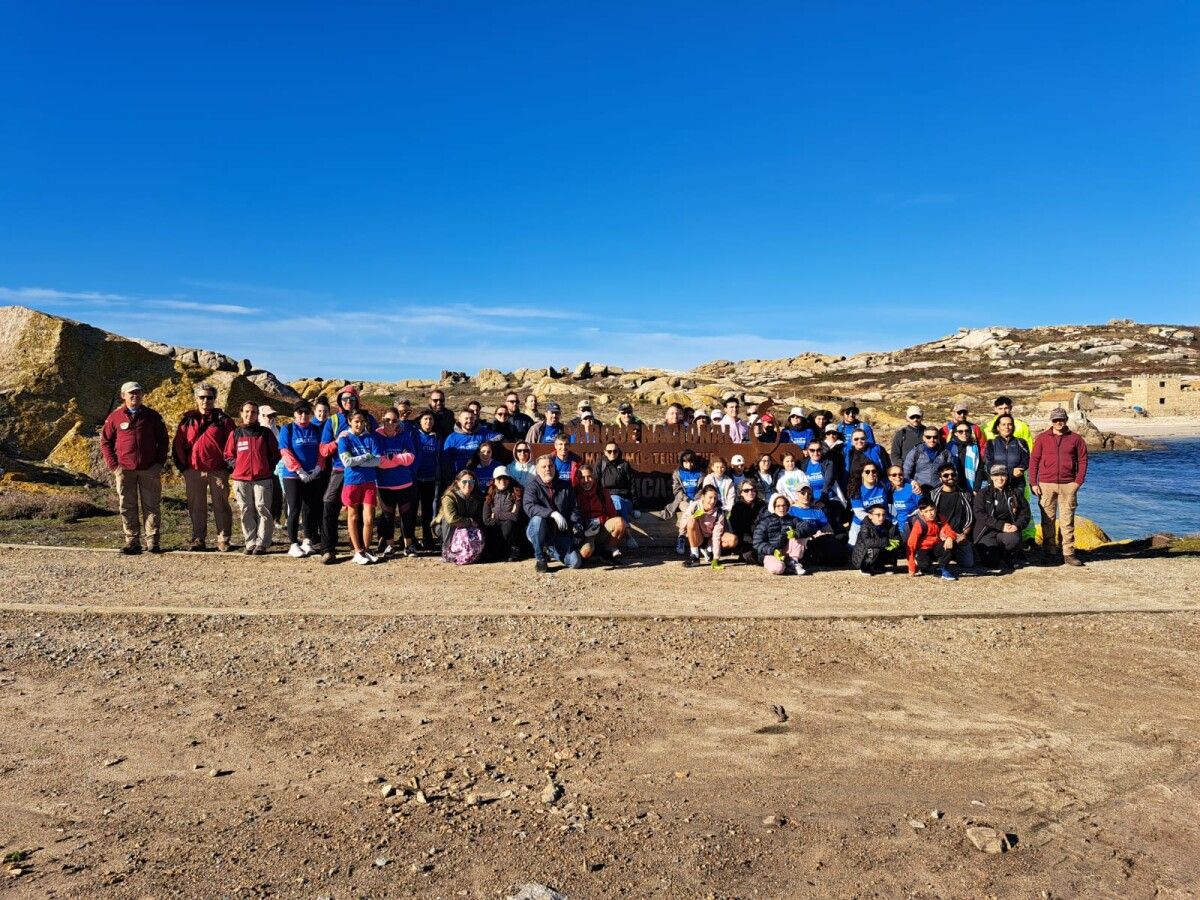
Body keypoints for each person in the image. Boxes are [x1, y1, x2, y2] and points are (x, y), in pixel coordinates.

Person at [100, 381, 169, 554]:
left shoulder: (152, 416)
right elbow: (105, 442)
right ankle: (132, 541)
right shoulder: (115, 417)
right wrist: (115, 467)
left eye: (138, 393)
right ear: (123, 396)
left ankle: (153, 541)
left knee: (151, 505)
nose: (135, 396)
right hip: (124, 470)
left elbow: (163, 441)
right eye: (131, 393)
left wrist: (158, 465)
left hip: (149, 470)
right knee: (127, 506)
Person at [318, 385, 377, 564]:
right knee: (330, 505)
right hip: (339, 469)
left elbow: (376, 439)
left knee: (361, 511)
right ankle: (328, 548)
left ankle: (359, 549)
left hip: (364, 472)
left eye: (352, 399)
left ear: (357, 400)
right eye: (345, 400)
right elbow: (323, 449)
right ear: (339, 402)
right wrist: (338, 441)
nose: (348, 403)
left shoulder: (368, 418)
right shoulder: (333, 420)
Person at [172, 383, 235, 552]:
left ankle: (223, 539)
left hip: (218, 470)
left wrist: (228, 468)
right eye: (202, 397)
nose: (205, 401)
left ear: (215, 399)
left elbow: (232, 444)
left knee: (221, 505)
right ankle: (198, 538)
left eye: (209, 397)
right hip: (193, 470)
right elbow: (178, 444)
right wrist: (184, 468)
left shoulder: (224, 420)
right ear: (196, 398)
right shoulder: (187, 420)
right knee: (196, 505)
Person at [1029, 406, 1089, 567]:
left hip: (1068, 484)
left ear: (1066, 420)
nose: (1058, 422)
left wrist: (1078, 482)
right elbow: (1034, 461)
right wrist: (1033, 483)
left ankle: (1068, 553)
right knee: (1047, 520)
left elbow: (1083, 460)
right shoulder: (1042, 438)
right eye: (1055, 420)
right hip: (1046, 484)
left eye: (1061, 419)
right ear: (1051, 421)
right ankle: (1049, 553)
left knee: (1067, 520)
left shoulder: (1076, 439)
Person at [224, 400, 281, 555]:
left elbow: (275, 454)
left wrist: (267, 467)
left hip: (262, 478)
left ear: (258, 415)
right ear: (241, 413)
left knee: (263, 509)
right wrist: (238, 466)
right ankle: (250, 542)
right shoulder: (235, 433)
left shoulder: (265, 433)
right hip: (241, 479)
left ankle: (262, 543)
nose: (250, 414)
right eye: (247, 411)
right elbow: (228, 455)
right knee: (246, 510)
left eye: (254, 412)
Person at [277, 399, 324, 558]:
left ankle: (308, 540)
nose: (303, 415)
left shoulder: (316, 429)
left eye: (306, 412)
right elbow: (285, 451)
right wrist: (299, 470)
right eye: (300, 412)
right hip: (293, 476)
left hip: (313, 475)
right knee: (294, 508)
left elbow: (321, 451)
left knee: (310, 508)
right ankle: (293, 543)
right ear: (295, 414)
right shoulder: (287, 429)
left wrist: (318, 468)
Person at [523, 454, 583, 572]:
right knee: (537, 519)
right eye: (543, 467)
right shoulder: (532, 487)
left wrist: (576, 524)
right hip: (539, 530)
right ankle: (540, 558)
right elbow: (529, 507)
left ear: (555, 468)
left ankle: (550, 551)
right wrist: (552, 513)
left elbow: (574, 508)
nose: (547, 469)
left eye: (550, 466)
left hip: (560, 533)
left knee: (576, 562)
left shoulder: (565, 486)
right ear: (537, 470)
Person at [338, 410, 382, 565]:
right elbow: (347, 462)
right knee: (353, 516)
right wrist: (366, 457)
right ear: (350, 421)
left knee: (369, 518)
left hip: (369, 481)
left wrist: (359, 460)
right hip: (352, 482)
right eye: (356, 421)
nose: (359, 424)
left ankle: (366, 549)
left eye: (362, 421)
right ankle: (358, 551)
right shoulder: (345, 438)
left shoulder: (371, 438)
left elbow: (377, 461)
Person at [375, 407, 418, 558]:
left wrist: (393, 458)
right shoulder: (376, 436)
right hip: (384, 483)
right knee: (388, 516)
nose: (391, 423)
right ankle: (389, 545)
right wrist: (399, 458)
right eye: (387, 420)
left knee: (407, 515)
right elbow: (379, 461)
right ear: (382, 420)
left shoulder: (404, 435)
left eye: (394, 420)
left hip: (404, 483)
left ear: (398, 422)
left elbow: (410, 457)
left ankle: (409, 545)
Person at [973, 465, 1032, 572]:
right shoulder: (983, 493)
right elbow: (979, 514)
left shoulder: (1015, 493)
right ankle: (996, 554)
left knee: (1014, 539)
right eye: (996, 475)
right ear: (991, 477)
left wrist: (1017, 525)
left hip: (1007, 531)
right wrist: (1000, 525)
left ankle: (1008, 555)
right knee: (992, 563)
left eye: (1003, 475)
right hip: (987, 531)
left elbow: (1025, 514)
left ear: (1007, 476)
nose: (1000, 478)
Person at [575, 464, 627, 562]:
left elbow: (613, 513)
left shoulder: (602, 492)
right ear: (578, 479)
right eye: (582, 478)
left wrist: (600, 520)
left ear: (594, 477)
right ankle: (596, 552)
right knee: (585, 554)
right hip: (586, 532)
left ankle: (608, 550)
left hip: (602, 528)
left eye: (589, 477)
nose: (586, 480)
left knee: (619, 522)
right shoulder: (574, 493)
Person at [929, 463, 976, 570]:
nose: (950, 477)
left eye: (953, 475)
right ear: (940, 478)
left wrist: (964, 534)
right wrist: (940, 534)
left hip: (959, 534)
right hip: (940, 534)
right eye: (946, 475)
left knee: (968, 563)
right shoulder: (933, 495)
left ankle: (955, 553)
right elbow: (929, 518)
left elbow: (970, 518)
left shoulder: (966, 495)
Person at [753, 493, 810, 575]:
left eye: (784, 505)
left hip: (787, 551)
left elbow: (806, 527)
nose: (781, 508)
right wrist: (773, 550)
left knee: (801, 535)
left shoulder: (792, 519)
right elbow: (757, 542)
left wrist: (796, 533)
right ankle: (783, 566)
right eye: (778, 506)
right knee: (778, 569)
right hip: (771, 553)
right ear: (773, 507)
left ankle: (793, 562)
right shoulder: (765, 521)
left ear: (787, 506)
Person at [435, 470, 485, 563]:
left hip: (467, 528)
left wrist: (473, 523)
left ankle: (474, 552)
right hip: (445, 528)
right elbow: (451, 519)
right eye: (464, 482)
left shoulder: (477, 498)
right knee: (447, 519)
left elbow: (479, 517)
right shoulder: (449, 497)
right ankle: (446, 550)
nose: (468, 485)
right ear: (458, 483)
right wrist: (470, 522)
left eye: (471, 482)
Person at [790, 485, 844, 568]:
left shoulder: (817, 511)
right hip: (799, 540)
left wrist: (822, 534)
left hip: (816, 540)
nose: (806, 496)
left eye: (809, 494)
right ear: (796, 494)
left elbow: (828, 530)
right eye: (803, 493)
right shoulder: (791, 511)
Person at [906, 498, 960, 580]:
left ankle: (942, 568)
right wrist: (911, 566)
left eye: (931, 510)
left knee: (951, 543)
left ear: (935, 508)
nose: (930, 513)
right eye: (926, 511)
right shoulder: (919, 524)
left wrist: (950, 537)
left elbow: (949, 530)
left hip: (935, 547)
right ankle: (919, 563)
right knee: (925, 567)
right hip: (922, 549)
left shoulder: (939, 518)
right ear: (921, 512)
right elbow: (911, 544)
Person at [411, 409, 442, 552]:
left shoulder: (436, 438)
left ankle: (427, 538)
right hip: (415, 478)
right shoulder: (414, 435)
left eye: (430, 419)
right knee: (412, 510)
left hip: (430, 478)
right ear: (420, 421)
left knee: (427, 510)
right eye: (425, 419)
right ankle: (410, 539)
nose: (428, 422)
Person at [596, 442, 637, 547]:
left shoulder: (624, 465)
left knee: (617, 501)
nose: (612, 453)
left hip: (624, 499)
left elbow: (632, 485)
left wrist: (635, 506)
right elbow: (595, 483)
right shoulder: (601, 464)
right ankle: (627, 535)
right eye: (609, 451)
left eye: (615, 451)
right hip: (606, 500)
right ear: (605, 452)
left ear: (619, 452)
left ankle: (613, 544)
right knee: (615, 501)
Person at [662, 449, 704, 552]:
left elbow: (702, 489)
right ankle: (683, 538)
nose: (688, 465)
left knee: (696, 513)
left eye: (691, 462)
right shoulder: (678, 473)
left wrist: (695, 500)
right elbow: (677, 490)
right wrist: (687, 499)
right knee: (689, 511)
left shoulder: (700, 473)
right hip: (683, 501)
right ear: (682, 462)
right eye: (686, 462)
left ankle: (690, 539)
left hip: (697, 500)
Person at [482, 466, 525, 562]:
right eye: (499, 478)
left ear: (509, 480)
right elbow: (486, 519)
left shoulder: (516, 493)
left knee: (508, 524)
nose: (502, 481)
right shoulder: (489, 495)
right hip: (494, 529)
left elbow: (516, 516)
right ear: (494, 480)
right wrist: (508, 514)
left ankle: (513, 549)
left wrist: (496, 515)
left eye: (505, 478)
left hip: (511, 530)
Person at [683, 484, 726, 568]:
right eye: (710, 497)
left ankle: (709, 551)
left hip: (711, 537)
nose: (713, 501)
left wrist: (716, 558)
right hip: (698, 536)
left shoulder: (719, 512)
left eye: (715, 498)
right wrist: (694, 517)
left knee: (732, 540)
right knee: (691, 520)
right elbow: (684, 520)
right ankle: (695, 556)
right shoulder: (695, 506)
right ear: (703, 497)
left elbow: (717, 535)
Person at [982, 414, 1030, 488]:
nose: (1006, 427)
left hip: (1017, 484)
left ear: (1013, 427)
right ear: (998, 427)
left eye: (1009, 424)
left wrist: (1021, 469)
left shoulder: (1021, 442)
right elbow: (989, 464)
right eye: (1003, 424)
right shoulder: (991, 443)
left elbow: (1026, 460)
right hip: (997, 483)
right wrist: (1011, 472)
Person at [851, 504, 899, 576]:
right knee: (876, 547)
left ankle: (879, 567)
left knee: (893, 546)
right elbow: (868, 542)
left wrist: (896, 542)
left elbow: (896, 537)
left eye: (883, 514)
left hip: (878, 550)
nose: (881, 517)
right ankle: (865, 568)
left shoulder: (888, 525)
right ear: (870, 516)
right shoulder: (865, 526)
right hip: (862, 557)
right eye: (878, 515)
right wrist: (887, 541)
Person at [903, 427, 952, 495]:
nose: (932, 440)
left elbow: (952, 472)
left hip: (940, 491)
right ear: (924, 438)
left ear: (938, 437)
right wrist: (913, 485)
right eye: (928, 437)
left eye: (935, 437)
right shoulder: (915, 452)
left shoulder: (945, 453)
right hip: (919, 490)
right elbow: (906, 473)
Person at [848, 462, 888, 545]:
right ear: (862, 474)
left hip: (881, 523)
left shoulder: (883, 485)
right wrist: (874, 519)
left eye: (874, 471)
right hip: (861, 524)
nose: (871, 474)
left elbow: (897, 480)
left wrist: (913, 482)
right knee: (855, 549)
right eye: (867, 471)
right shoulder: (856, 489)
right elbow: (859, 513)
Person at [727, 479, 767, 564]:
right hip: (745, 540)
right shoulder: (737, 507)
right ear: (741, 493)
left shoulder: (762, 505)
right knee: (751, 556)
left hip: (761, 538)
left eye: (753, 490)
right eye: (746, 490)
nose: (750, 492)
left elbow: (766, 524)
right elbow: (737, 529)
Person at [442, 408, 485, 482]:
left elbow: (497, 437)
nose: (469, 421)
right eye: (466, 418)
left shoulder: (481, 435)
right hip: (459, 478)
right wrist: (450, 480)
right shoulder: (452, 438)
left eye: (471, 418)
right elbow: (446, 461)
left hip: (478, 478)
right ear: (460, 420)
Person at [261, 405, 285, 530]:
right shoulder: (258, 430)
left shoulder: (279, 429)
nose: (272, 418)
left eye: (273, 415)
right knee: (264, 495)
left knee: (277, 493)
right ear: (262, 416)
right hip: (263, 466)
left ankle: (276, 518)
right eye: (269, 416)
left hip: (278, 466)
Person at [946, 421, 983, 492]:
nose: (964, 433)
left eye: (967, 431)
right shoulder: (949, 447)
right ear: (955, 433)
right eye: (960, 431)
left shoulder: (974, 447)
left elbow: (979, 469)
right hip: (953, 486)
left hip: (970, 486)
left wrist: (976, 488)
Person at [886, 465, 920, 538]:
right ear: (889, 478)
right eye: (894, 475)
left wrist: (914, 515)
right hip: (899, 527)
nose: (898, 477)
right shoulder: (891, 490)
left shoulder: (912, 488)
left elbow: (923, 506)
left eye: (900, 474)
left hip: (912, 527)